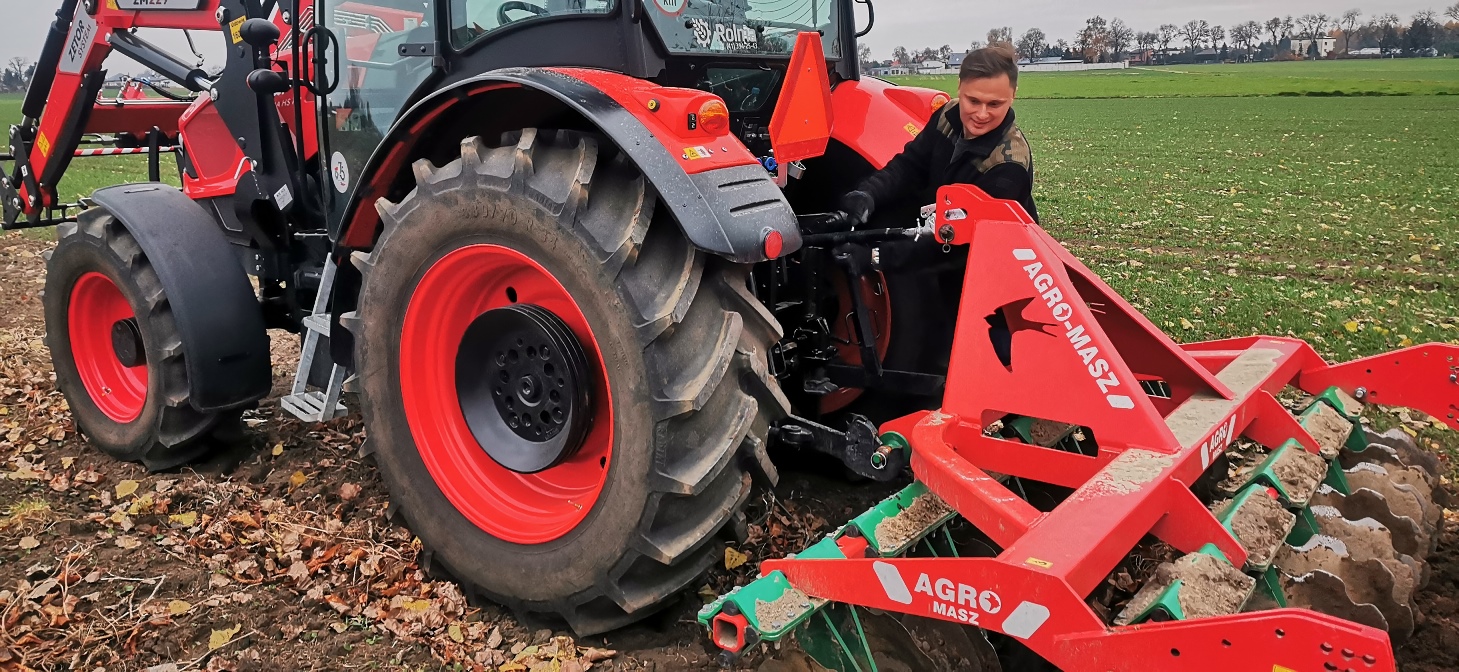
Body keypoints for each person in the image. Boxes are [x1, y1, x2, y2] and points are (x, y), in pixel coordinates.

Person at [840, 46, 1038, 226]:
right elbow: (910, 166)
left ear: (1013, 95)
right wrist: (869, 194)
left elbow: (961, 247)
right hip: (938, 219)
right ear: (960, 87)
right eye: (973, 101)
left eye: (994, 104)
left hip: (979, 249)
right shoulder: (947, 115)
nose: (981, 114)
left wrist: (876, 256)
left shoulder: (1009, 166)